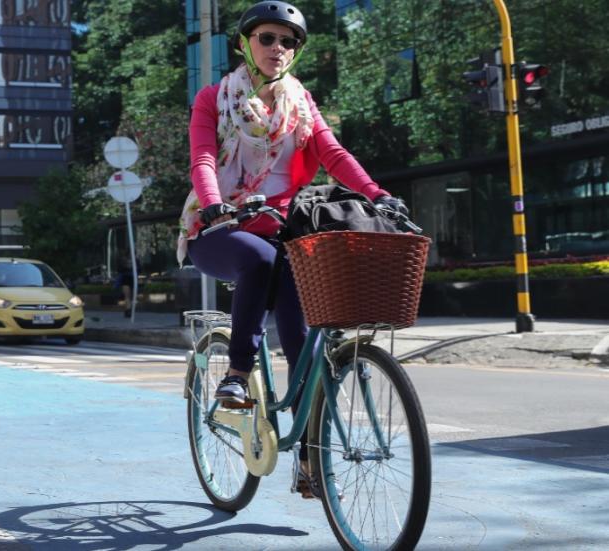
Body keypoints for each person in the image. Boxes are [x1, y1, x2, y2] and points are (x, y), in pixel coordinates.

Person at [176, 1, 410, 498]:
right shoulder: (214, 98)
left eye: (288, 42)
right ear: (245, 43)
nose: (277, 49)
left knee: (306, 337)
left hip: (284, 227)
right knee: (258, 259)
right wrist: (216, 204)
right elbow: (202, 156)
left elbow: (332, 153)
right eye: (267, 38)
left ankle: (310, 463)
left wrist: (377, 195)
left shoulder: (301, 103)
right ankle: (237, 375)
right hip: (220, 229)